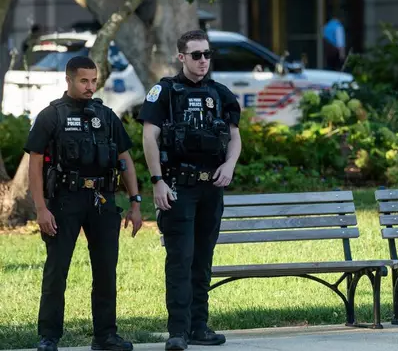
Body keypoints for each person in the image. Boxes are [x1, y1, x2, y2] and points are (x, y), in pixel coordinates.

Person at [25, 56, 143, 351]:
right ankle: (49, 336)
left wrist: (135, 202)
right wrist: (41, 208)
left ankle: (105, 336)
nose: (90, 86)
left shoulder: (105, 116)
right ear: (69, 80)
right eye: (83, 81)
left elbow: (125, 159)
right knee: (57, 270)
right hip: (64, 200)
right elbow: (35, 165)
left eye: (93, 80)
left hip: (102, 200)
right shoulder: (51, 116)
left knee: (106, 270)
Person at [138, 30, 242, 350]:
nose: (203, 61)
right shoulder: (165, 92)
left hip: (212, 187)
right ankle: (177, 332)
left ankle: (200, 326)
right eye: (196, 55)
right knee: (180, 259)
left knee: (202, 260)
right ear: (182, 57)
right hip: (178, 188)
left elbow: (235, 137)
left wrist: (229, 165)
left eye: (207, 54)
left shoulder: (221, 93)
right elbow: (149, 138)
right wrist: (157, 181)